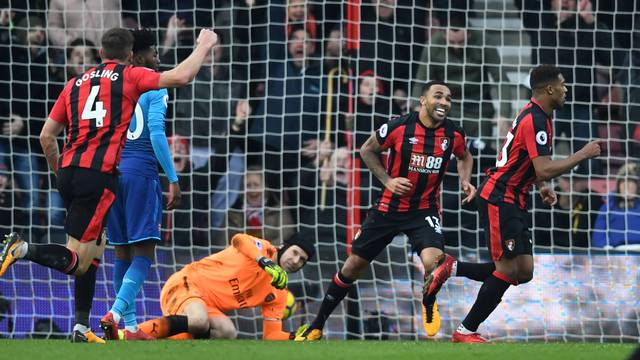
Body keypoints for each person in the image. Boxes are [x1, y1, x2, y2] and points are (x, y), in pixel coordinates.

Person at [0, 27, 219, 343]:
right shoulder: (131, 76)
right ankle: (23, 249)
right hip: (101, 176)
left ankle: (80, 327)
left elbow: (46, 136)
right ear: (131, 55)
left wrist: (60, 174)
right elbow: (181, 77)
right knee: (79, 261)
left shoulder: (74, 83)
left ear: (99, 53)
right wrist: (203, 45)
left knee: (98, 248)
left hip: (70, 172)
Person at [426, 65, 602, 343]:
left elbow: (524, 160)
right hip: (501, 198)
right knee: (507, 270)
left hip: (515, 198)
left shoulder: (540, 116)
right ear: (549, 89)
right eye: (563, 84)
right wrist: (581, 154)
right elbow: (543, 168)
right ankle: (465, 330)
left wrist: (541, 186)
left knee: (525, 272)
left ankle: (452, 267)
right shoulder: (534, 119)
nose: (566, 89)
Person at [295, 81, 476, 341]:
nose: (445, 103)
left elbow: (465, 156)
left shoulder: (453, 134)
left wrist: (465, 180)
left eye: (449, 98)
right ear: (423, 100)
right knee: (352, 267)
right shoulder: (399, 126)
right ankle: (317, 324)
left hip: (424, 211)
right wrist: (388, 180)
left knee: (434, 264)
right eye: (439, 96)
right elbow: (367, 149)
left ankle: (428, 301)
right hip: (388, 209)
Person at [100, 29, 182, 341]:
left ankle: (130, 329)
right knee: (144, 253)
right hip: (141, 173)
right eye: (154, 53)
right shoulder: (152, 82)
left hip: (110, 173)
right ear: (137, 56)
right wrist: (172, 179)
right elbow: (158, 133)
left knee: (121, 252)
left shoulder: (111, 84)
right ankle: (116, 314)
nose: (158, 59)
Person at [136, 233, 315, 340]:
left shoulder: (279, 293)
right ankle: (130, 334)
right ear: (283, 247)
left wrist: (296, 337)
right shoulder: (262, 250)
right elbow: (238, 239)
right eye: (295, 253)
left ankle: (158, 337)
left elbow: (271, 336)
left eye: (302, 260)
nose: (296, 261)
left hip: (207, 306)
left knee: (227, 331)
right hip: (186, 282)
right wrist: (264, 262)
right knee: (199, 321)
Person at [592, 162, 640, 249]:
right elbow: (598, 239)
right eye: (622, 181)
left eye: (630, 181)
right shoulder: (607, 208)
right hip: (615, 254)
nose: (626, 185)